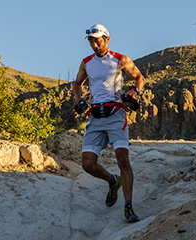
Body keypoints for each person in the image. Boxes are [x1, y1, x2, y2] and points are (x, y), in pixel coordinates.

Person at [73, 24, 145, 223]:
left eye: (97, 40)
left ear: (107, 39)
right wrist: (77, 99)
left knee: (123, 159)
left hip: (116, 115)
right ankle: (113, 181)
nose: (94, 45)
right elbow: (77, 84)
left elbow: (140, 78)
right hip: (95, 116)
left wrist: (134, 92)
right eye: (90, 41)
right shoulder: (86, 62)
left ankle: (128, 207)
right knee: (87, 164)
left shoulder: (120, 59)